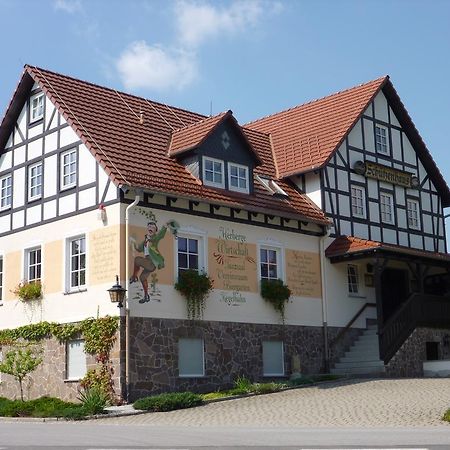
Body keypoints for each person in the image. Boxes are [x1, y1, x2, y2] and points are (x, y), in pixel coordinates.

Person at [130, 220, 178, 303]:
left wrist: (165, 226)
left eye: (152, 227)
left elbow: (161, 235)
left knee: (137, 260)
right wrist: (133, 243)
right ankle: (146, 296)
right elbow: (139, 249)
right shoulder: (145, 241)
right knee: (142, 278)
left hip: (152, 262)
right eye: (149, 227)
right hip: (147, 262)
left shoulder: (155, 238)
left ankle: (134, 277)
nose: (150, 228)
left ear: (155, 230)